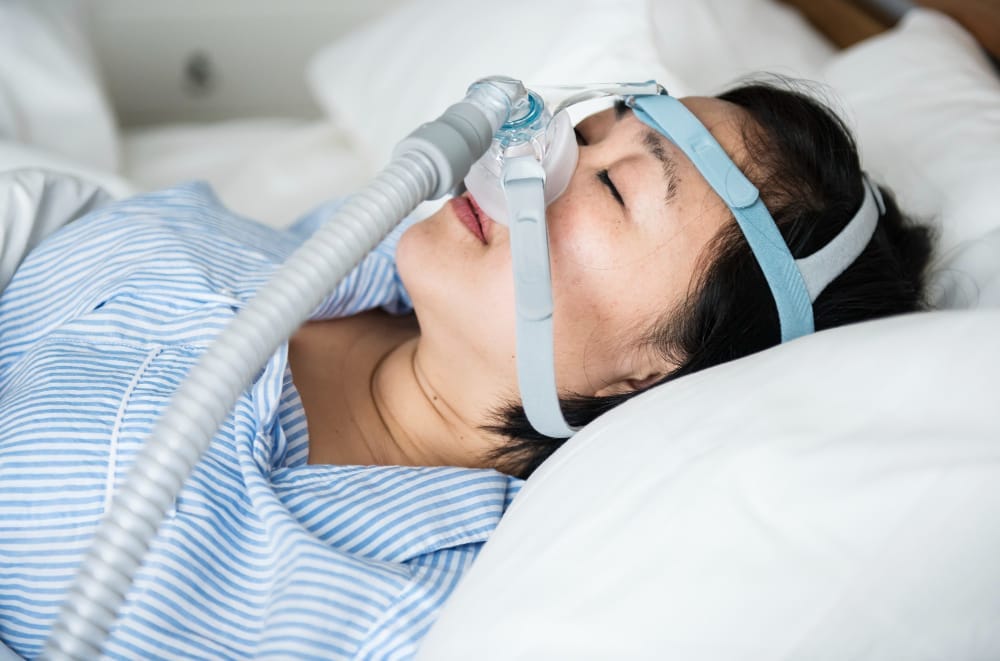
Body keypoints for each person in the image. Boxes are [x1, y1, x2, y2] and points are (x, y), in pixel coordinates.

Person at [0, 80, 931, 659]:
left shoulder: (404, 607)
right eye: (592, 129)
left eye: (611, 184)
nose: (542, 156)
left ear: (652, 377)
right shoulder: (309, 253)